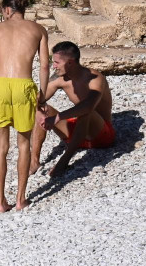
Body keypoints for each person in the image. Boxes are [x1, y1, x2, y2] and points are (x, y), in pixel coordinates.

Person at [0, 0, 50, 212]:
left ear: (7, 10)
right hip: (24, 85)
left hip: (0, 87)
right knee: (23, 145)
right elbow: (45, 67)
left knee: (1, 147)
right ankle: (21, 199)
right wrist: (42, 95)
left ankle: (1, 201)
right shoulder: (38, 30)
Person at [30, 40, 115, 177]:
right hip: (76, 133)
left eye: (57, 62)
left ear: (70, 62)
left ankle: (64, 160)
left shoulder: (94, 78)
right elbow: (36, 100)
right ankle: (34, 161)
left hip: (101, 136)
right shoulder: (60, 78)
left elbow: (88, 106)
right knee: (44, 109)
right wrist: (38, 110)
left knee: (85, 110)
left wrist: (57, 117)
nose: (54, 66)